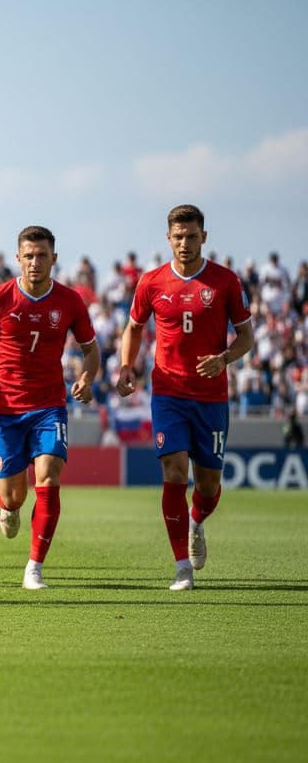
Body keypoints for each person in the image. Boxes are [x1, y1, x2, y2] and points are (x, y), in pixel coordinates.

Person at [116, 204, 253, 591]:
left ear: (203, 237)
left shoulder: (225, 282)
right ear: (168, 238)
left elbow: (247, 337)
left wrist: (224, 358)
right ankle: (181, 567)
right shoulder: (152, 282)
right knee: (174, 471)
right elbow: (134, 327)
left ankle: (196, 523)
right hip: (168, 393)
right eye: (178, 236)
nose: (185, 243)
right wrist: (128, 365)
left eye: (192, 236)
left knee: (207, 485)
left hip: (211, 397)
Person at [0, 225, 99, 590]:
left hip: (49, 406)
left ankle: (34, 567)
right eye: (29, 256)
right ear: (17, 258)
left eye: (42, 256)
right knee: (14, 495)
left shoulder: (69, 301)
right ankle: (7, 508)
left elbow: (91, 350)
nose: (35, 262)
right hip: (4, 410)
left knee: (49, 478)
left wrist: (87, 378)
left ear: (54, 259)